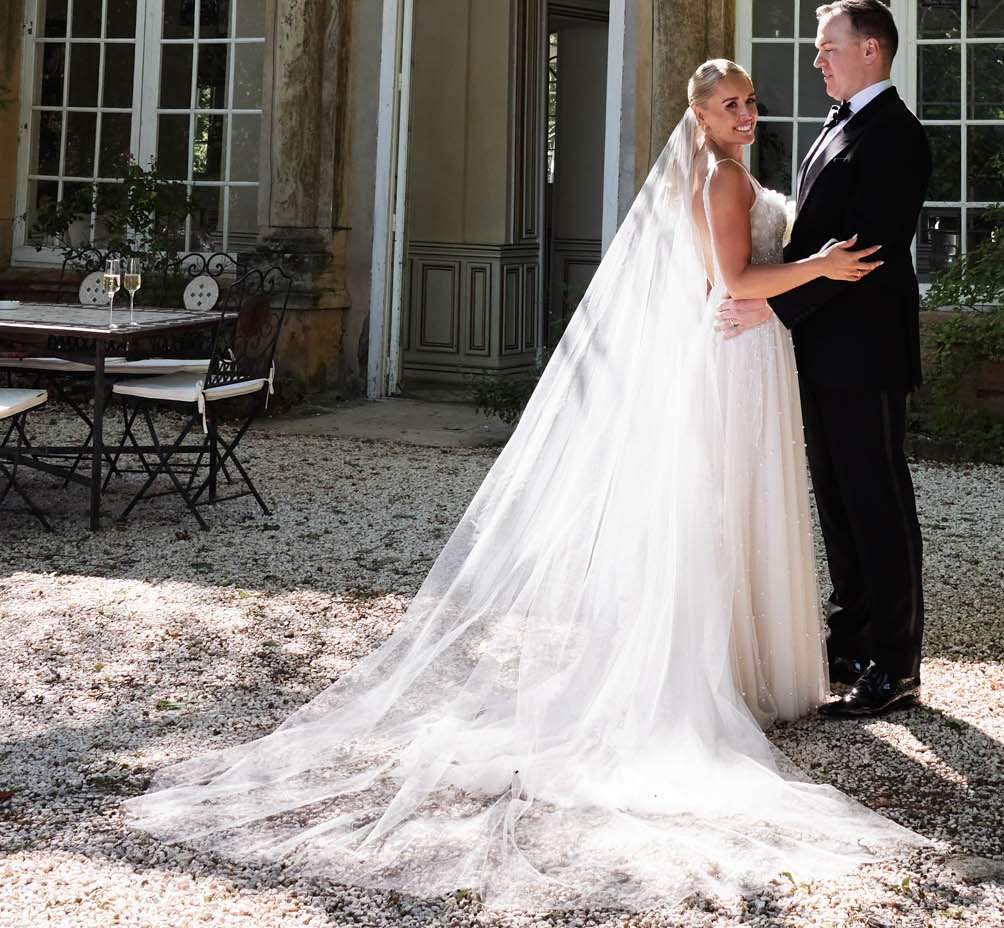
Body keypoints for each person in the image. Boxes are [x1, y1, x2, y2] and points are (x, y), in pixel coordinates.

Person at [126, 61, 911, 913]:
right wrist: (822, 268)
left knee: (741, 509)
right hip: (733, 357)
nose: (747, 113)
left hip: (749, 357)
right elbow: (735, 285)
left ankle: (749, 662)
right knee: (723, 511)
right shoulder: (720, 178)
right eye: (730, 104)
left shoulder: (732, 171)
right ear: (699, 116)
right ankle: (712, 668)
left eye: (751, 101)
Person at [717, 0, 932, 720]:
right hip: (818, 345)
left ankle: (896, 667)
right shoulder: (839, 125)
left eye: (827, 49)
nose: (817, 61)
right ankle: (849, 644)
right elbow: (816, 244)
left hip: (864, 349)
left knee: (876, 502)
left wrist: (771, 306)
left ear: (871, 50)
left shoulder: (894, 135)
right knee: (836, 501)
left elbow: (862, 256)